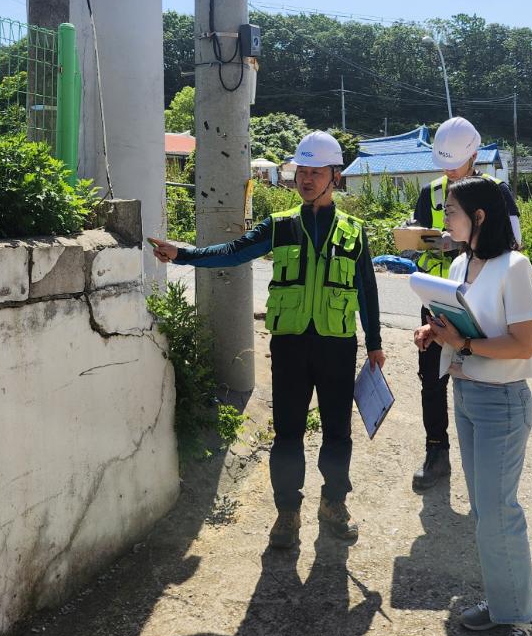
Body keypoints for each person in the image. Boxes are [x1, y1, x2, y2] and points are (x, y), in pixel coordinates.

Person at [150, 131, 385, 549]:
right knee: (288, 432)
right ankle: (287, 514)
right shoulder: (280, 226)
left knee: (337, 433)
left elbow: (367, 288)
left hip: (336, 345)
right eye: (301, 172)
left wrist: (374, 343)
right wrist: (183, 253)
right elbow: (233, 252)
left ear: (334, 176)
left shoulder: (355, 231)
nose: (306, 180)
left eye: (315, 172)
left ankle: (333, 504)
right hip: (291, 346)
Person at [414, 176, 532, 636]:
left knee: (499, 512)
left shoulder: (515, 266)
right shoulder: (461, 263)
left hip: (502, 401)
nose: (444, 218)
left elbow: (522, 344)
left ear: (480, 216)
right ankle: (503, 602)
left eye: (452, 210)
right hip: (466, 394)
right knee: (486, 513)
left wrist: (461, 344)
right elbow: (466, 324)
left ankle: (524, 621)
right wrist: (435, 332)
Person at [410, 116, 522, 491]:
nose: (448, 172)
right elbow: (418, 233)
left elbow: (513, 243)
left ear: (473, 155)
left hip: (479, 302)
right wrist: (419, 239)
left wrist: (457, 243)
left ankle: (484, 453)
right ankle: (436, 452)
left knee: (477, 370)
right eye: (442, 164)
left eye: (455, 164)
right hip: (437, 297)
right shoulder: (430, 192)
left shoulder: (495, 192)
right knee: (431, 377)